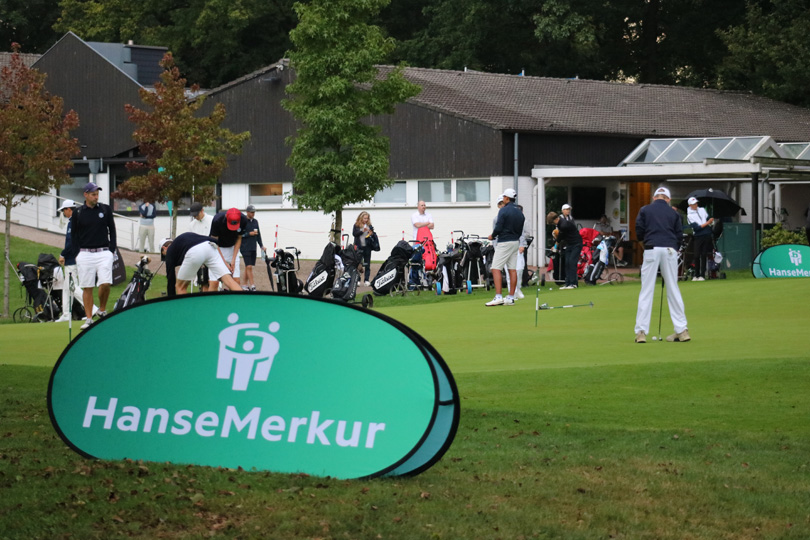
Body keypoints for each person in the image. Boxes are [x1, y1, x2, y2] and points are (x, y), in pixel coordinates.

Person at [634, 186, 690, 343]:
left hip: (651, 248)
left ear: (654, 197)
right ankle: (682, 330)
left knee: (646, 290)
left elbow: (639, 230)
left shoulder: (645, 210)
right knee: (673, 288)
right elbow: (679, 235)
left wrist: (645, 245)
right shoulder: (674, 213)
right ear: (668, 199)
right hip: (670, 250)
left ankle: (641, 332)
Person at [68, 182, 117, 330]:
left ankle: (101, 310)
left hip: (103, 252)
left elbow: (112, 230)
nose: (96, 197)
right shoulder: (78, 213)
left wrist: (111, 250)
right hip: (85, 253)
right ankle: (89, 318)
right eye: (93, 194)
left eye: (97, 194)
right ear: (86, 195)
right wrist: (77, 253)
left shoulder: (105, 209)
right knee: (87, 287)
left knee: (105, 283)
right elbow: (74, 235)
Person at [160, 234, 242, 296]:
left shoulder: (170, 251)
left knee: (180, 286)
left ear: (164, 248)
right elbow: (213, 240)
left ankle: (183, 314)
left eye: (163, 254)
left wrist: (170, 300)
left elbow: (171, 279)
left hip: (195, 251)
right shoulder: (182, 241)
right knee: (228, 280)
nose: (165, 257)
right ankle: (246, 303)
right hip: (210, 246)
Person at [485, 188, 525, 306]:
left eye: (504, 197)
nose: (503, 199)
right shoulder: (519, 212)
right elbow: (520, 229)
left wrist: (492, 236)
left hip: (504, 242)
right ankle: (511, 297)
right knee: (512, 269)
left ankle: (498, 297)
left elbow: (498, 227)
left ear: (507, 198)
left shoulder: (503, 211)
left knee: (496, 268)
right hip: (515, 242)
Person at [55, 199, 92, 322]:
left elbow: (71, 242)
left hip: (72, 259)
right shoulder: (77, 220)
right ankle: (66, 314)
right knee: (67, 288)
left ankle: (93, 309)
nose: (64, 213)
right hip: (74, 258)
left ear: (69, 209)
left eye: (64, 211)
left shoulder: (74, 222)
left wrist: (63, 254)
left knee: (73, 287)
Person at [209, 208, 247, 290]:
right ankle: (211, 302)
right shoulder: (217, 220)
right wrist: (225, 263)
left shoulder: (244, 220)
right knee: (214, 282)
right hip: (217, 248)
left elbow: (239, 238)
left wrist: (233, 260)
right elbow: (214, 242)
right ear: (226, 217)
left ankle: (235, 302)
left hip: (233, 249)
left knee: (236, 281)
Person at [548, 210, 582, 289]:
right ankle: (568, 283)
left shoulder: (563, 224)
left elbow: (560, 237)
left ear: (556, 219)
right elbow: (560, 236)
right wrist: (555, 246)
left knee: (572, 262)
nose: (554, 224)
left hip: (576, 244)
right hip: (570, 244)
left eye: (553, 223)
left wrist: (555, 246)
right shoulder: (560, 224)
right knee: (567, 262)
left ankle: (573, 284)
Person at [686, 196, 714, 281]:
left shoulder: (702, 210)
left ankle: (702, 275)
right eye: (693, 204)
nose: (695, 205)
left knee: (704, 254)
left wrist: (710, 220)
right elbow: (697, 228)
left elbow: (707, 218)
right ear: (690, 205)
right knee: (697, 255)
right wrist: (707, 223)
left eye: (696, 203)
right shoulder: (689, 215)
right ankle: (696, 274)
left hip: (707, 234)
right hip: (698, 236)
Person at [240, 205, 266, 291]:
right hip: (244, 247)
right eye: (251, 212)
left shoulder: (255, 222)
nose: (253, 214)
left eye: (254, 212)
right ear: (247, 212)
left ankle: (244, 284)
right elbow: (239, 235)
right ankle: (252, 285)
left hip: (253, 247)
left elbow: (259, 234)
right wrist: (248, 234)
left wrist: (261, 245)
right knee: (249, 266)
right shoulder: (242, 221)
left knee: (248, 267)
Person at [189, 202, 213, 292]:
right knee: (202, 281)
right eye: (193, 215)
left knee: (213, 281)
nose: (195, 217)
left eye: (197, 214)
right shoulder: (192, 225)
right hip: (199, 255)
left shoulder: (212, 220)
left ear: (202, 211)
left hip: (211, 253)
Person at [410, 200, 434, 286]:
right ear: (418, 206)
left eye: (424, 205)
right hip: (417, 241)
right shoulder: (414, 215)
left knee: (428, 260)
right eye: (422, 205)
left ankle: (427, 279)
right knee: (416, 260)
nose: (423, 206)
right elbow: (417, 225)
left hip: (427, 241)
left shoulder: (429, 215)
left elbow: (432, 226)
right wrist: (427, 223)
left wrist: (422, 224)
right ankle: (414, 280)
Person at [353, 211, 378, 286]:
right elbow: (354, 234)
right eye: (364, 218)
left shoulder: (369, 225)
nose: (366, 220)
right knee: (358, 263)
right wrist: (362, 231)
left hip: (367, 246)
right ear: (361, 218)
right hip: (359, 246)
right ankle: (358, 280)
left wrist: (371, 233)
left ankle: (366, 280)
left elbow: (372, 234)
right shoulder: (356, 225)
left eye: (367, 218)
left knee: (367, 263)